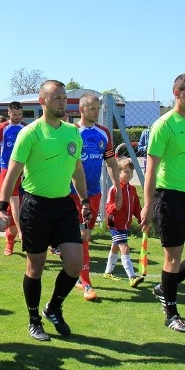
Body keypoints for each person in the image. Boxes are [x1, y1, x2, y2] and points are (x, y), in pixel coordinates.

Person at [0, 80, 89, 341]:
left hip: (63, 206)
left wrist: (84, 201)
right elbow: (12, 173)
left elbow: (77, 170)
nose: (63, 102)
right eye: (57, 98)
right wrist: (2, 207)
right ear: (43, 102)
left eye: (64, 97)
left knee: (75, 263)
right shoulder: (31, 133)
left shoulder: (73, 132)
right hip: (35, 206)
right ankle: (34, 319)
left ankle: (54, 307)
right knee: (35, 267)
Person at [141, 73, 185, 334]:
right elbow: (151, 169)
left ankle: (164, 287)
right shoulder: (163, 125)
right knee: (172, 257)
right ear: (177, 93)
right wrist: (148, 205)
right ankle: (171, 313)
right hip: (168, 197)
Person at [70, 93, 121, 301]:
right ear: (82, 109)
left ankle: (77, 275)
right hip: (70, 194)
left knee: (85, 237)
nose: (96, 112)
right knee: (81, 238)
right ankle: (86, 283)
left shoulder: (104, 133)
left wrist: (117, 186)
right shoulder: (72, 132)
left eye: (98, 108)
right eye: (92, 108)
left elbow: (110, 163)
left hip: (93, 194)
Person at [0, 101, 27, 256]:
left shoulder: (26, 128)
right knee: (12, 205)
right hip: (6, 170)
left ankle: (21, 235)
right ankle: (12, 241)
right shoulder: (2, 128)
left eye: (19, 114)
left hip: (25, 170)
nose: (17, 117)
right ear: (9, 113)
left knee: (23, 206)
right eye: (14, 114)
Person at [102, 157, 144, 287]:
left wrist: (140, 217)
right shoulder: (114, 190)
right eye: (125, 172)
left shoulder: (132, 190)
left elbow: (136, 206)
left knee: (115, 247)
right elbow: (107, 207)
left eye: (130, 172)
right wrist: (115, 207)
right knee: (124, 248)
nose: (129, 174)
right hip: (116, 225)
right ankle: (132, 277)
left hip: (125, 225)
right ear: (118, 173)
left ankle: (108, 272)